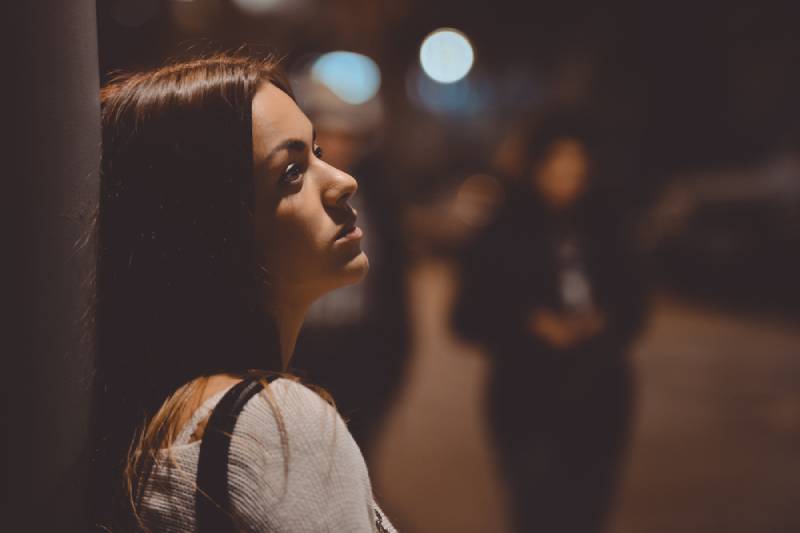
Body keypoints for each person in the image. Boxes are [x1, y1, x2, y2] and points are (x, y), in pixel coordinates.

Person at [87, 53, 397, 532]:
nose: (343, 181)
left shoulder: (157, 419)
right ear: (211, 228)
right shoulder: (280, 430)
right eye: (291, 171)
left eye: (317, 152)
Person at [452, 117, 646, 533]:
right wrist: (529, 324)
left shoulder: (607, 226)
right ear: (535, 167)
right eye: (557, 165)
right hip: (527, 393)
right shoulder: (503, 229)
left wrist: (603, 321)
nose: (567, 177)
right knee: (536, 511)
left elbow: (636, 304)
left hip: (599, 392)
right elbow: (467, 316)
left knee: (588, 511)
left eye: (577, 167)